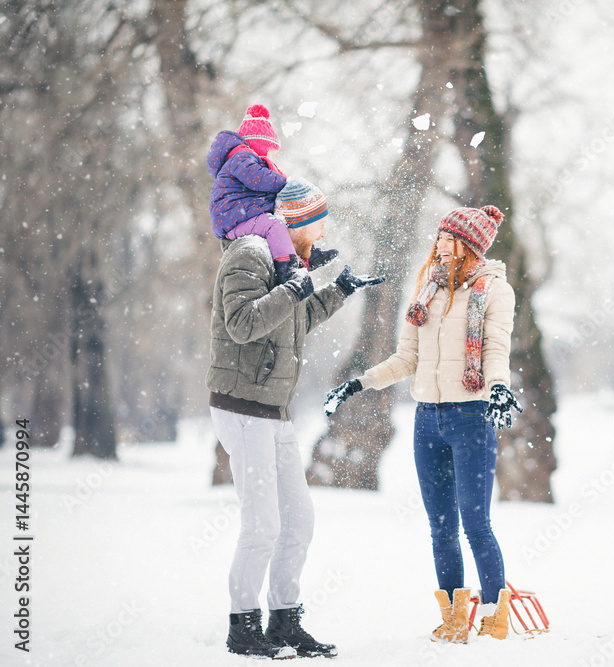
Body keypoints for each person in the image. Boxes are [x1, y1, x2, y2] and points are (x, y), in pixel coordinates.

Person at [324, 205, 523, 643]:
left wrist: (498, 387)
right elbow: (406, 359)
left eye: (451, 239)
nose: (441, 245)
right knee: (441, 528)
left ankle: (494, 617)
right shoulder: (426, 291)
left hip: (470, 418)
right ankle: (453, 619)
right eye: (440, 237)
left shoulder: (494, 290)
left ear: (471, 246)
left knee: (476, 525)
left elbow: (495, 349)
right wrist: (360, 383)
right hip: (427, 420)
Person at [206, 178, 384, 658]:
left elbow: (293, 323)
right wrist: (292, 287)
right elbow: (242, 324)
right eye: (318, 221)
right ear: (298, 222)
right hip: (243, 408)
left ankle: (284, 621)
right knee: (262, 524)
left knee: (298, 521)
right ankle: (243, 627)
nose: (323, 232)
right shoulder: (249, 254)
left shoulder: (286, 261)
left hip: (274, 411)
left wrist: (338, 290)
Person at [206, 104, 337, 285]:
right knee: (274, 225)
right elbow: (258, 178)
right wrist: (284, 182)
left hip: (237, 216)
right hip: (232, 220)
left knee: (282, 221)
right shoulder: (242, 159)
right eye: (271, 154)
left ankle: (304, 257)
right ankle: (286, 268)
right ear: (260, 146)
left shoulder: (241, 160)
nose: (271, 160)